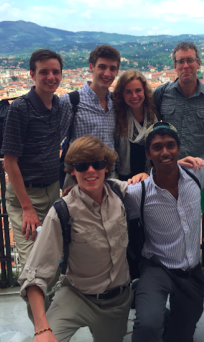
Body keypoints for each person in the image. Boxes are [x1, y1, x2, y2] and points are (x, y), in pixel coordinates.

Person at [115, 122, 204, 342]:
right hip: (156, 266)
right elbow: (106, 196)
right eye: (157, 147)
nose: (165, 152)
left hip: (191, 271)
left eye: (170, 146)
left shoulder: (197, 173)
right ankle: (148, 298)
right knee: (147, 326)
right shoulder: (138, 192)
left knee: (182, 333)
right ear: (148, 154)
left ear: (179, 149)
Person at [19, 136, 132, 342]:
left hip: (116, 301)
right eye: (81, 166)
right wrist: (42, 329)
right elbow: (34, 275)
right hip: (76, 294)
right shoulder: (61, 211)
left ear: (106, 167)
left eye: (97, 164)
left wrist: (176, 164)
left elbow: (157, 185)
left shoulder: (121, 193)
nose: (90, 171)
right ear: (72, 170)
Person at [1, 49, 65, 319]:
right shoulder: (20, 108)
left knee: (55, 260)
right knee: (33, 267)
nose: (51, 77)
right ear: (32, 75)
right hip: (26, 197)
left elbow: (60, 149)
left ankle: (54, 326)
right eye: (44, 72)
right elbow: (9, 161)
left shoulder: (60, 106)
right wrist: (26, 207)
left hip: (53, 191)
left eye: (55, 72)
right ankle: (43, 328)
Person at [59, 45, 121, 188]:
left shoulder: (116, 103)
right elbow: (56, 139)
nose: (107, 73)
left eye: (112, 68)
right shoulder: (71, 101)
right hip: (80, 178)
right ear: (91, 67)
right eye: (102, 67)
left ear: (117, 71)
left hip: (110, 177)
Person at [153, 41, 204, 160]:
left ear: (198, 63)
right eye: (181, 61)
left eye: (190, 60)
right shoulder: (161, 93)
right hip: (169, 167)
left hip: (199, 171)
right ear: (174, 66)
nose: (185, 66)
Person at [113, 69, 159, 181]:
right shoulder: (116, 116)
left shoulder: (153, 114)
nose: (134, 96)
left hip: (151, 177)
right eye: (128, 92)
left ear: (145, 91)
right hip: (124, 180)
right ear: (121, 94)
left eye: (138, 90)